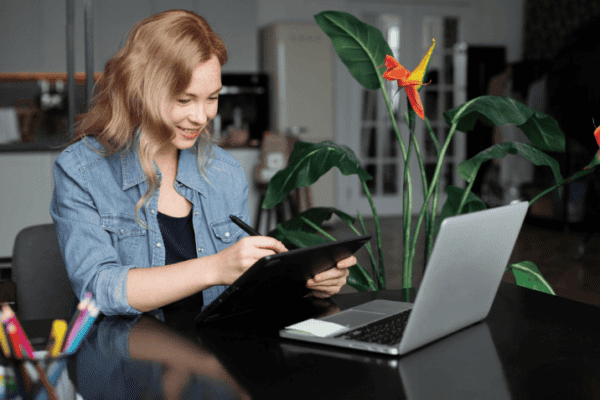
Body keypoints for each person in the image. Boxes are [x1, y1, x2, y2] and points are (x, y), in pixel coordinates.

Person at [50, 9, 355, 320]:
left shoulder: (225, 172)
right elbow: (98, 289)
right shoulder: (81, 170)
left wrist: (307, 281)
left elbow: (244, 288)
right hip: (128, 360)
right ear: (140, 92)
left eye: (212, 97)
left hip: (212, 355)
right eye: (184, 100)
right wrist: (215, 267)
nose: (201, 116)